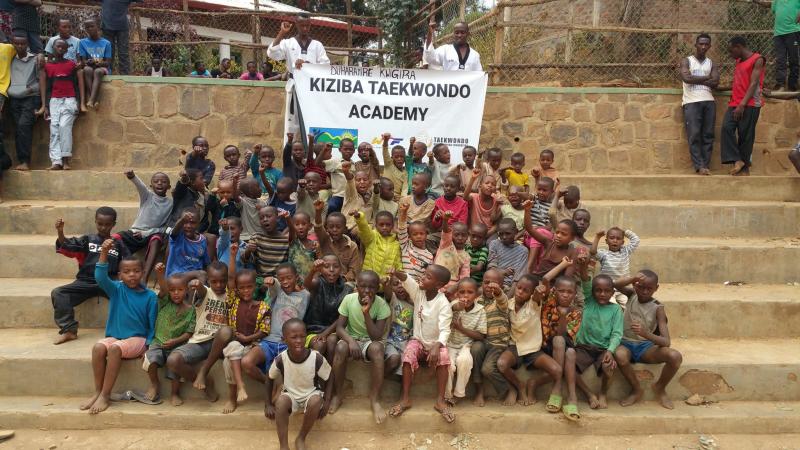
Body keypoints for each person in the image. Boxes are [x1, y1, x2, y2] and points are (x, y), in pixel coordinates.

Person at [81, 239, 157, 414]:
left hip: (138, 339)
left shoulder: (150, 296)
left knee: (114, 349)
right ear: (120, 275)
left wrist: (150, 345)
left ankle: (105, 395)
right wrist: (104, 253)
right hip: (117, 336)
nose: (132, 275)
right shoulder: (116, 289)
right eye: (127, 272)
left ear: (143, 272)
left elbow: (153, 323)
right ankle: (97, 391)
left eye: (136, 271)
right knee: (98, 347)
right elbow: (100, 277)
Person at [51, 207, 129, 344]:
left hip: (108, 282)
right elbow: (67, 245)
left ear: (113, 224)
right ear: (95, 222)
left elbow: (128, 262)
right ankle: (69, 330)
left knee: (128, 296)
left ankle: (125, 330)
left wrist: (123, 278)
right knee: (58, 293)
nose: (103, 227)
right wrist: (60, 231)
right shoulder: (88, 239)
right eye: (100, 224)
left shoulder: (118, 244)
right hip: (85, 281)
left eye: (107, 224)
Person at [387, 265, 454, 423]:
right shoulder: (418, 293)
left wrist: (437, 346)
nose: (423, 277)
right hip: (418, 340)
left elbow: (445, 330)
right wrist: (395, 272)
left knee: (444, 357)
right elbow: (406, 279)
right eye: (424, 274)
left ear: (438, 285)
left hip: (435, 344)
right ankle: (405, 398)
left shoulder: (443, 303)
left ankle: (440, 400)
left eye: (428, 277)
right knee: (408, 354)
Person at [613, 270, 683, 410]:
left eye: (649, 288)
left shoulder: (658, 308)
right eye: (641, 287)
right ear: (635, 286)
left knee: (675, 356)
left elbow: (666, 342)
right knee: (620, 355)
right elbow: (614, 284)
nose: (644, 291)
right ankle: (636, 389)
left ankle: (660, 388)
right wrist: (632, 278)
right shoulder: (631, 295)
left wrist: (646, 334)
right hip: (625, 343)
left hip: (645, 347)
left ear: (656, 288)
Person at [330, 270, 390, 424]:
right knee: (341, 348)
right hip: (351, 339)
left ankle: (375, 399)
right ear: (356, 286)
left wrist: (366, 313)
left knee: (377, 349)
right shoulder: (348, 300)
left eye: (371, 287)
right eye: (363, 286)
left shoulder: (381, 304)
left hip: (370, 341)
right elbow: (340, 328)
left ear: (377, 289)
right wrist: (351, 341)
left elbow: (376, 336)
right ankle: (338, 395)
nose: (367, 290)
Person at [166, 262, 230, 403]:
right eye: (214, 281)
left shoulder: (231, 294)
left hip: (221, 344)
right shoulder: (206, 292)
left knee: (225, 331)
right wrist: (197, 284)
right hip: (199, 342)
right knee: (172, 360)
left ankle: (203, 371)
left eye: (222, 281)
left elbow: (232, 277)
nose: (219, 285)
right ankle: (206, 383)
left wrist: (232, 255)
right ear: (208, 280)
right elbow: (201, 290)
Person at [264, 319, 333, 450]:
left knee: (316, 400)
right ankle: (283, 445)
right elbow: (269, 377)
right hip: (291, 394)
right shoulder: (281, 359)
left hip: (311, 393)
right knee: (280, 402)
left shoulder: (316, 358)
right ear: (284, 339)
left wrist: (327, 400)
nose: (299, 340)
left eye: (302, 336)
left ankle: (301, 438)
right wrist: (267, 404)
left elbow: (330, 376)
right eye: (294, 337)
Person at [143, 263, 195, 405]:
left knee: (175, 367)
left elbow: (189, 333)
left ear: (187, 290)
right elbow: (164, 289)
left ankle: (174, 393)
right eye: (173, 290)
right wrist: (160, 274)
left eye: (180, 289)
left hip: (177, 345)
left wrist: (176, 341)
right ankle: (154, 384)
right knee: (150, 359)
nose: (176, 293)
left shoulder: (191, 310)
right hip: (158, 342)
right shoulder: (165, 302)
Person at [267, 14, 330, 134]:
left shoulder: (317, 45)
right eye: (302, 26)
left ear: (310, 25)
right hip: (294, 84)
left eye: (307, 26)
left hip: (312, 87)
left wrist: (307, 65)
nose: (305, 28)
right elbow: (272, 53)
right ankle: (293, 149)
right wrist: (282, 33)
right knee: (293, 120)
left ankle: (311, 148)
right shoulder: (288, 43)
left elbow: (325, 65)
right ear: (296, 25)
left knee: (312, 117)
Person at [574, 269, 623, 410]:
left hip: (603, 349)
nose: (602, 294)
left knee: (609, 366)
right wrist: (582, 267)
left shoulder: (616, 310)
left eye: (607, 291)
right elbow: (586, 282)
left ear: (612, 293)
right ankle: (589, 394)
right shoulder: (589, 301)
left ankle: (603, 393)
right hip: (583, 347)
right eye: (598, 290)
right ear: (592, 292)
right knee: (568, 364)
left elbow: (617, 333)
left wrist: (610, 351)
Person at [113, 170, 172, 284]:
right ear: (151, 185)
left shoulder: (171, 204)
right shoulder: (147, 196)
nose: (159, 183)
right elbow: (141, 186)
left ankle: (144, 277)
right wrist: (132, 177)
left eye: (164, 182)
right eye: (156, 181)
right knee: (115, 238)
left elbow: (165, 228)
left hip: (152, 235)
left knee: (157, 239)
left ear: (169, 186)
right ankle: (116, 273)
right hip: (135, 232)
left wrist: (147, 233)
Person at [721, 36, 765, 176]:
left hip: (749, 104)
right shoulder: (739, 61)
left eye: (731, 50)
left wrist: (742, 104)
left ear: (738, 47)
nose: (730, 54)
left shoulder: (758, 59)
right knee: (727, 128)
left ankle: (744, 169)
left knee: (746, 136)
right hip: (735, 102)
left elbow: (753, 84)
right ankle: (737, 160)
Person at [38, 38, 82, 171]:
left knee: (64, 127)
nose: (61, 49)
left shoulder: (71, 65)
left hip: (69, 99)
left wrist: (79, 102)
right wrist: (45, 105)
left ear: (67, 49)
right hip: (54, 101)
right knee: (54, 129)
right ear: (53, 47)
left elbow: (77, 84)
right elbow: (46, 87)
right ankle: (56, 161)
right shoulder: (47, 66)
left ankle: (66, 160)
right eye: (58, 47)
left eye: (63, 47)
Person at [680, 33, 720, 175]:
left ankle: (705, 166)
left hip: (709, 102)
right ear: (695, 45)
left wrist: (697, 78)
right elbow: (686, 78)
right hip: (691, 102)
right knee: (694, 134)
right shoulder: (687, 61)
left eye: (706, 44)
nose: (703, 46)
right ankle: (699, 165)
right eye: (701, 44)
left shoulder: (711, 63)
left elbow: (715, 82)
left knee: (708, 135)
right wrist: (707, 77)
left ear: (709, 46)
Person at [303, 256, 353, 363]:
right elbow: (307, 285)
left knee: (332, 340)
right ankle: (315, 376)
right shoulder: (317, 282)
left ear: (341, 269)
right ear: (321, 269)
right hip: (313, 330)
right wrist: (312, 270)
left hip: (335, 330)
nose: (331, 270)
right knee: (320, 345)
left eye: (335, 266)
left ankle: (329, 375)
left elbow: (342, 317)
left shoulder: (347, 289)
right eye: (326, 266)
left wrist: (326, 333)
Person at [445, 278, 486, 404]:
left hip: (466, 346)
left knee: (465, 361)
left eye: (470, 292)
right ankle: (447, 394)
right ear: (457, 294)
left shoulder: (480, 310)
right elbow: (454, 306)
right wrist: (459, 306)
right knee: (448, 365)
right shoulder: (454, 305)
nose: (466, 296)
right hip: (450, 344)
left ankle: (458, 394)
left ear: (476, 295)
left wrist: (460, 328)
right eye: (462, 292)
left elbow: (481, 336)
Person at [8, 33, 39, 172]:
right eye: (17, 44)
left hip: (29, 98)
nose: (20, 46)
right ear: (13, 44)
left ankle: (25, 161)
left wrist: (31, 91)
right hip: (13, 99)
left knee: (23, 126)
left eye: (23, 44)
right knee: (18, 129)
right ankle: (21, 160)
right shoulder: (10, 60)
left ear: (27, 44)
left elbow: (41, 81)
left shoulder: (35, 60)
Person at [45, 19, 86, 112]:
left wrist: (78, 65)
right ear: (58, 28)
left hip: (72, 69)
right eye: (64, 27)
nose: (67, 29)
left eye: (69, 27)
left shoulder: (77, 41)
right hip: (57, 68)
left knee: (80, 72)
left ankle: (82, 103)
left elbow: (79, 60)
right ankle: (44, 105)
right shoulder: (52, 40)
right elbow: (50, 59)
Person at [314, 204, 361, 283]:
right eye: (331, 227)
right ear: (327, 228)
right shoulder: (324, 240)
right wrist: (318, 212)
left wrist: (342, 280)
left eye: (338, 227)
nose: (335, 229)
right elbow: (318, 228)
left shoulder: (352, 246)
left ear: (345, 229)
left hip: (343, 281)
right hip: (324, 280)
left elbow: (353, 270)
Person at [166, 208, 210, 284]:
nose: (188, 226)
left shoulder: (202, 240)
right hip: (176, 276)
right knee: (201, 274)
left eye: (192, 223)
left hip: (193, 278)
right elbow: (174, 231)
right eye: (185, 222)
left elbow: (206, 263)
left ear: (198, 224)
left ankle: (197, 294)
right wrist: (181, 220)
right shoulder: (178, 236)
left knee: (201, 277)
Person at [487, 218, 529, 292]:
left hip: (509, 287)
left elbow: (517, 279)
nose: (504, 237)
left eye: (508, 233)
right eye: (501, 234)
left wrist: (508, 298)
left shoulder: (523, 251)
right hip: (492, 283)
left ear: (516, 231)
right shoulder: (494, 244)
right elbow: (491, 269)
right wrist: (504, 272)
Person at [78, 20, 111, 109]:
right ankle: (94, 100)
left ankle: (92, 99)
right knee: (86, 69)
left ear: (97, 27)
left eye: (92, 26)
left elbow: (107, 63)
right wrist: (87, 62)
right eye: (87, 27)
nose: (90, 29)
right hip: (89, 66)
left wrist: (97, 62)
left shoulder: (106, 43)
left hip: (102, 68)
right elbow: (83, 61)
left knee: (97, 71)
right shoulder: (82, 42)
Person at [397, 202, 433, 281]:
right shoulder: (405, 245)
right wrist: (404, 212)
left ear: (426, 235)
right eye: (415, 234)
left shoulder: (429, 256)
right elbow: (402, 227)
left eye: (421, 234)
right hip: (402, 283)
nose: (419, 236)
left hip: (416, 287)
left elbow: (427, 275)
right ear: (409, 237)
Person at [99, 0, 133, 74]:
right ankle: (107, 73)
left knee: (123, 53)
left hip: (122, 27)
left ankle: (125, 76)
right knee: (108, 52)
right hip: (107, 26)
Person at [381, 133, 407, 201]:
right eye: (396, 157)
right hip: (384, 197)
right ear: (392, 158)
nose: (399, 159)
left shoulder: (406, 173)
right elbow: (385, 151)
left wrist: (402, 199)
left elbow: (404, 189)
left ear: (405, 158)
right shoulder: (389, 165)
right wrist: (386, 140)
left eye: (401, 157)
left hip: (397, 199)